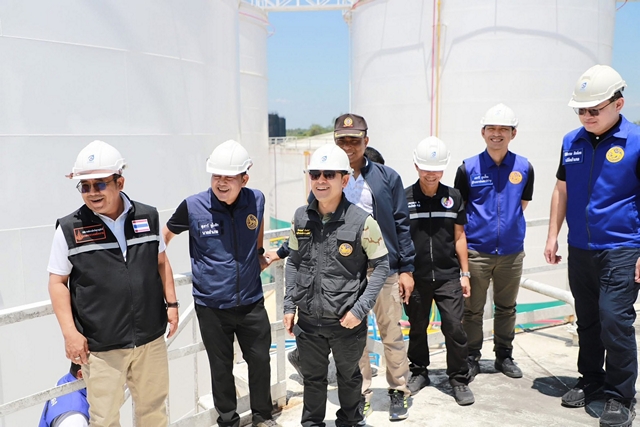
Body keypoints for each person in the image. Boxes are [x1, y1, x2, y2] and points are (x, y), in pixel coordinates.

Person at [48, 140, 178, 427]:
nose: (92, 192)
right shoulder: (69, 228)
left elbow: (161, 262)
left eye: (100, 184)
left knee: (154, 413)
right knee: (104, 419)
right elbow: (57, 282)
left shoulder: (148, 216)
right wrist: (70, 333)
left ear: (120, 182)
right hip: (101, 347)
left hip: (150, 338)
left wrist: (172, 304)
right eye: (85, 186)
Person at [544, 64, 639, 427]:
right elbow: (561, 189)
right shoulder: (571, 141)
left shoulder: (636, 141)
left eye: (594, 110)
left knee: (614, 320)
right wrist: (552, 235)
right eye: (581, 110)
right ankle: (591, 380)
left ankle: (620, 396)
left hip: (622, 247)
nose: (587, 116)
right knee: (587, 319)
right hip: (580, 247)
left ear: (618, 104)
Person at [163, 140, 279, 427]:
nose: (221, 182)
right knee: (221, 368)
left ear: (244, 179)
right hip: (212, 306)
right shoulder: (193, 206)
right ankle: (228, 421)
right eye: (216, 176)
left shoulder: (256, 199)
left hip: (251, 301)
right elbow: (162, 239)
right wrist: (164, 288)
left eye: (229, 177)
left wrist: (259, 252)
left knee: (260, 361)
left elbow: (257, 224)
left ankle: (262, 418)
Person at [283, 144, 389, 427]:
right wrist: (289, 305)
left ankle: (350, 422)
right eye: (315, 174)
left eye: (329, 174)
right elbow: (293, 262)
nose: (320, 180)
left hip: (346, 322)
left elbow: (382, 267)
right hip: (309, 321)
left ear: (344, 180)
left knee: (349, 378)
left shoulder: (362, 221)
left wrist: (359, 310)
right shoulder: (300, 217)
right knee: (313, 380)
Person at [333, 113, 415, 421]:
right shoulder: (328, 175)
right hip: (346, 273)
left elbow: (401, 224)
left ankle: (399, 390)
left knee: (391, 333)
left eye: (354, 140)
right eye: (342, 140)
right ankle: (361, 393)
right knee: (354, 338)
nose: (348, 146)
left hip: (383, 270)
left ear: (366, 141)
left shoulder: (387, 177)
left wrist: (406, 269)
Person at [454, 104, 534, 380]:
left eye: (503, 129)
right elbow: (460, 211)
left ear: (513, 133)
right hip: (477, 252)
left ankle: (504, 355)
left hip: (511, 253)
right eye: (491, 129)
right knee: (472, 310)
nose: (496, 134)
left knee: (507, 307)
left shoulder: (524, 167)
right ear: (483, 132)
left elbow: (521, 204)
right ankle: (472, 357)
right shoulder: (467, 168)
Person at [404, 136, 474, 406]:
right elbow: (400, 238)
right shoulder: (405, 198)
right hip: (416, 277)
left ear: (444, 168)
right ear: (416, 165)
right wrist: (403, 273)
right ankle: (419, 372)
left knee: (454, 327)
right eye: (425, 168)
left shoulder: (453, 197)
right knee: (417, 327)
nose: (431, 174)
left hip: (448, 276)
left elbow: (459, 236)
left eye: (436, 169)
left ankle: (458, 378)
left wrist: (465, 274)